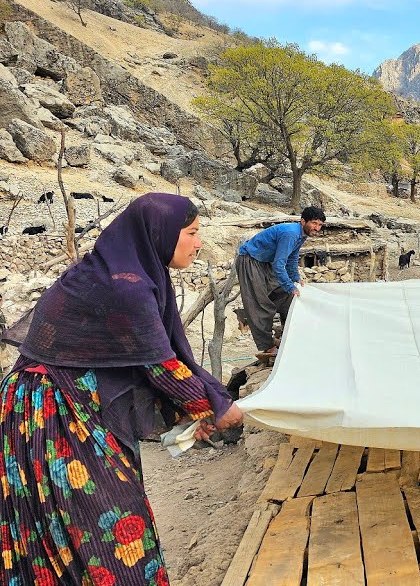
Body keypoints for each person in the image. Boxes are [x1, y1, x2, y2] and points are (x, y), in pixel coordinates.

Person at [0, 192, 243, 584]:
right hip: (51, 415)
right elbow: (161, 367)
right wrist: (215, 407)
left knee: (78, 530)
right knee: (108, 530)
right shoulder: (124, 288)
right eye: (193, 233)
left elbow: (146, 357)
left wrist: (200, 407)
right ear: (160, 234)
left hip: (65, 405)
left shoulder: (134, 275)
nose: (199, 244)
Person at [235, 206, 325, 354]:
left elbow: (292, 258)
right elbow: (279, 264)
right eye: (314, 223)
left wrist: (295, 278)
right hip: (250, 260)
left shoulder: (301, 235)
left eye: (320, 225)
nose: (317, 228)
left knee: (285, 295)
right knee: (259, 303)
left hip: (265, 262)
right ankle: (267, 347)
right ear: (303, 221)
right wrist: (290, 285)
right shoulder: (290, 234)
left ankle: (287, 336)